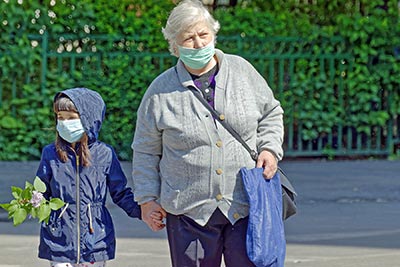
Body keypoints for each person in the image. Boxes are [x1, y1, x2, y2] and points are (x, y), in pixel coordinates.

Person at [131, 0, 284, 266]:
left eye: (204, 34)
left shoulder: (242, 72)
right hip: (188, 213)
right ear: (174, 46)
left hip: (245, 207)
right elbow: (145, 149)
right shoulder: (160, 91)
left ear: (214, 34)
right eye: (188, 38)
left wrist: (270, 148)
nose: (199, 44)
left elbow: (271, 112)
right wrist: (146, 199)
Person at [35, 87, 155, 267]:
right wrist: (32, 202)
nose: (64, 123)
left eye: (71, 118)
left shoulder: (105, 154)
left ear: (88, 119)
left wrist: (143, 212)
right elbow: (41, 190)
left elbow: (120, 192)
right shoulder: (50, 153)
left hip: (95, 239)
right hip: (59, 238)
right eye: (60, 117)